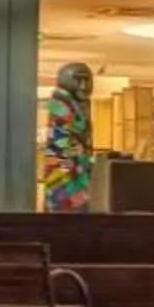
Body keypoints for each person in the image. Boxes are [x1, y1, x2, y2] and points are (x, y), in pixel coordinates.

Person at [41, 61, 95, 214]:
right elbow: (61, 145)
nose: (83, 86)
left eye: (86, 81)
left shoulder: (79, 103)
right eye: (78, 80)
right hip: (65, 170)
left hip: (76, 167)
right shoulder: (61, 102)